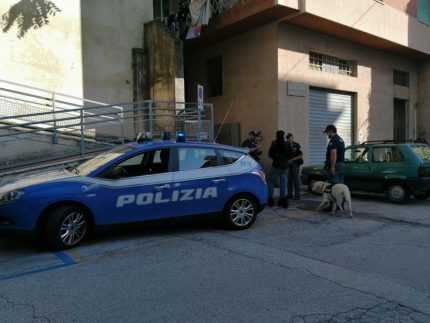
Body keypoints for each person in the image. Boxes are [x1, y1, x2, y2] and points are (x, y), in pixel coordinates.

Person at [267, 130, 289, 208]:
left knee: (270, 182)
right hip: (285, 167)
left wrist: (275, 157)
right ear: (283, 136)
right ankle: (282, 200)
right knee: (283, 184)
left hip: (276, 166)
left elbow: (270, 154)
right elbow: (289, 155)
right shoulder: (286, 144)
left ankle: (270, 199)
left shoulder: (274, 143)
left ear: (276, 136)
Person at [286, 133, 303, 200]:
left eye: (291, 138)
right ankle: (289, 194)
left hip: (295, 164)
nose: (290, 140)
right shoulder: (285, 145)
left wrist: (292, 159)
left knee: (296, 180)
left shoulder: (297, 145)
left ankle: (297, 195)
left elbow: (300, 156)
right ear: (286, 139)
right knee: (289, 180)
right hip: (288, 165)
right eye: (289, 139)